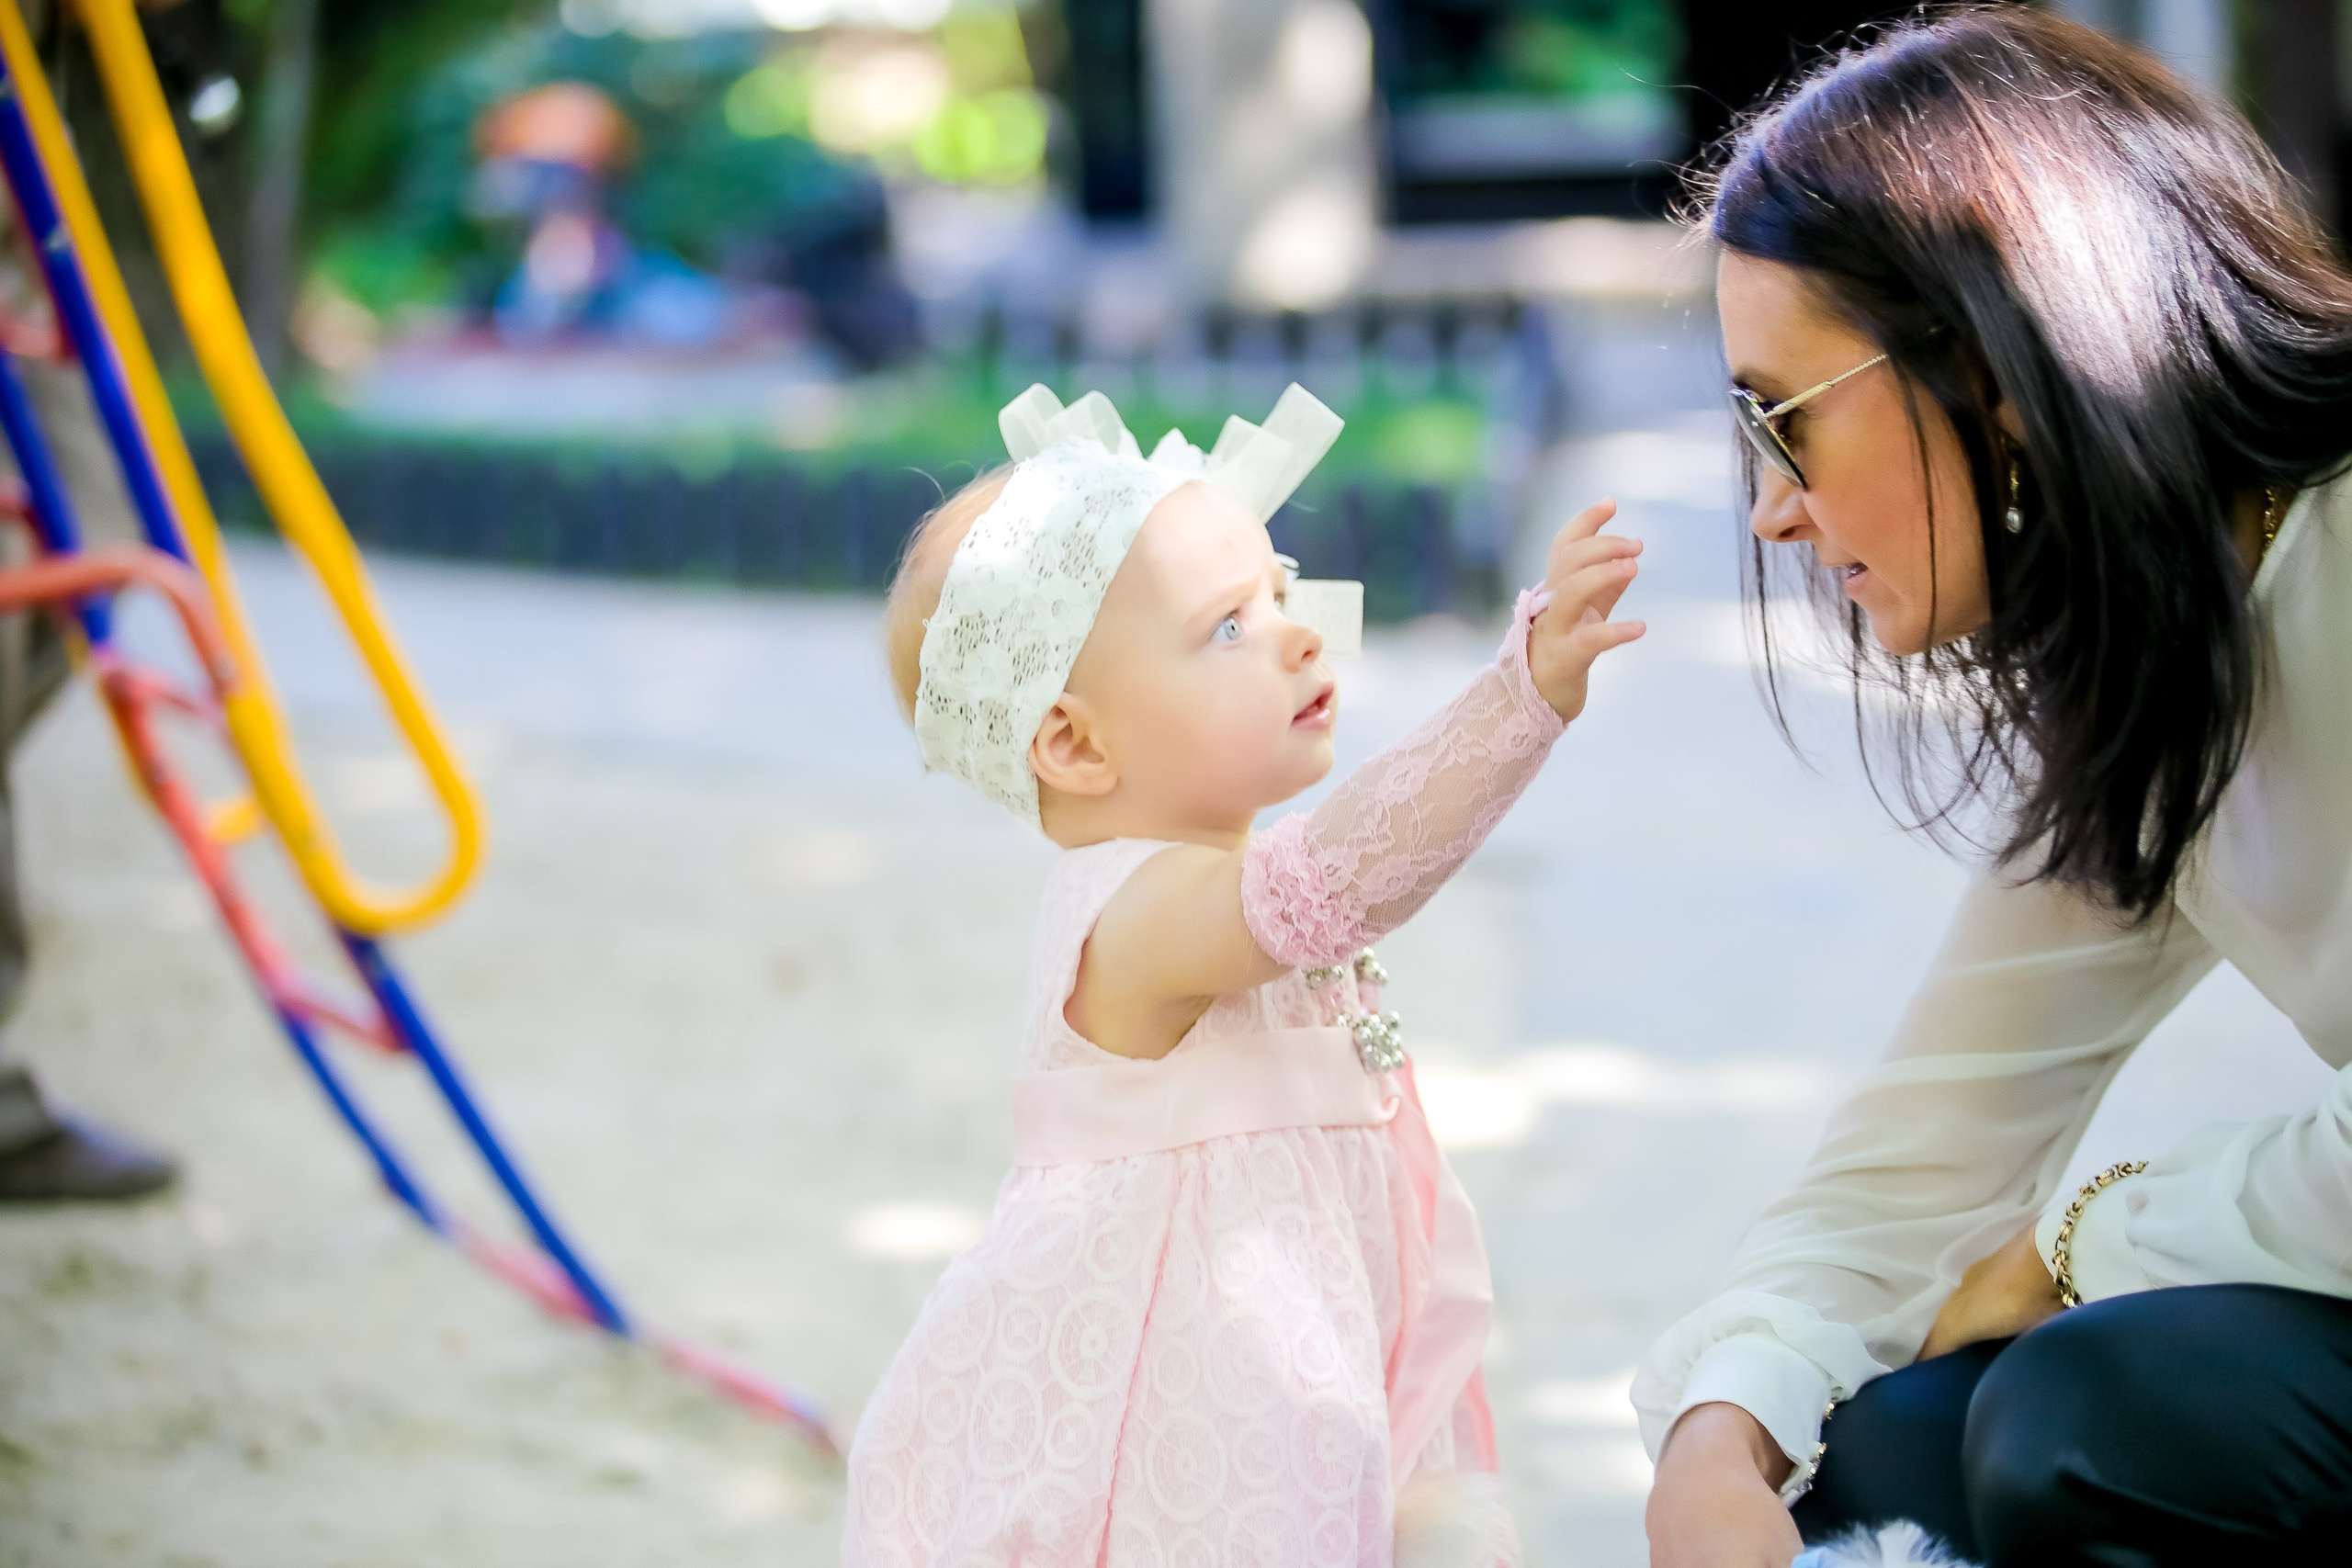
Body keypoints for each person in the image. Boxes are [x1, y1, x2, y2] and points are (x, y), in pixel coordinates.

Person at [1634, 11, 2352, 1567]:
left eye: (1782, 415)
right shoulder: (2167, 663)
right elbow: (1922, 1155)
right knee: (1875, 1440)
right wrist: (1721, 1431)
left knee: (2082, 1411)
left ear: (1988, 366)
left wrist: (2086, 1239)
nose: (1767, 510)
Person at [842, 383, 1644, 1564]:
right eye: (1227, 627)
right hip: (1183, 1415)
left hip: (1297, 1360)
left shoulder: (1207, 884)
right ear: (1073, 742)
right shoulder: (1137, 912)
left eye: (1278, 592)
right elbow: (1345, 873)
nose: (1297, 633)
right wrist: (1517, 699)